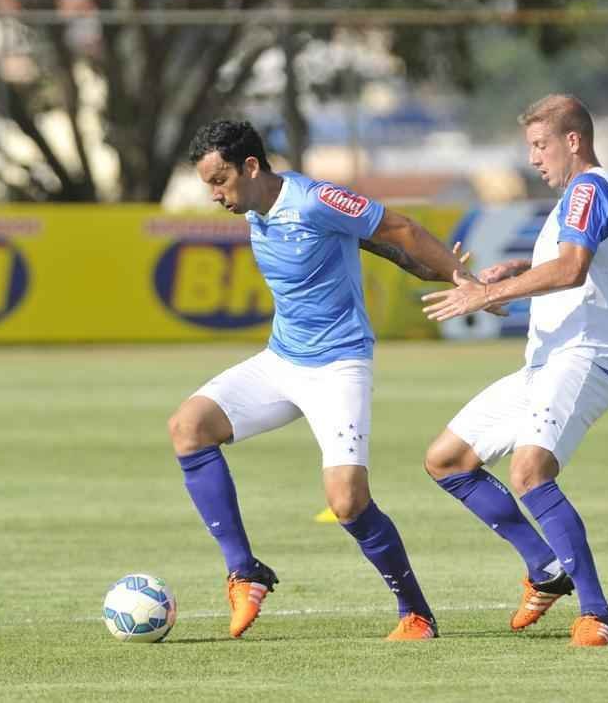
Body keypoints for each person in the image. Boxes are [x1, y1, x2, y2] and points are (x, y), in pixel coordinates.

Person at [169, 119, 481, 641]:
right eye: (209, 185)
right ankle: (244, 571)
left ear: (251, 166)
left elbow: (397, 229)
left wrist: (457, 275)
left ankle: (416, 614)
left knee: (347, 502)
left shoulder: (315, 199)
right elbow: (363, 244)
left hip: (338, 366)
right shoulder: (254, 208)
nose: (215, 195)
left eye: (219, 180)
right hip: (281, 360)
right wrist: (425, 269)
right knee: (188, 426)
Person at [420, 94, 608, 647]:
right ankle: (545, 568)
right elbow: (569, 262)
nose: (534, 158)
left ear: (573, 140)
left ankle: (599, 614)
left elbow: (572, 269)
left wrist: (488, 294)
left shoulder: (588, 189)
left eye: (541, 145)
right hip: (546, 364)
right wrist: (516, 270)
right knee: (447, 460)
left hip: (584, 357)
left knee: (530, 472)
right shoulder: (586, 194)